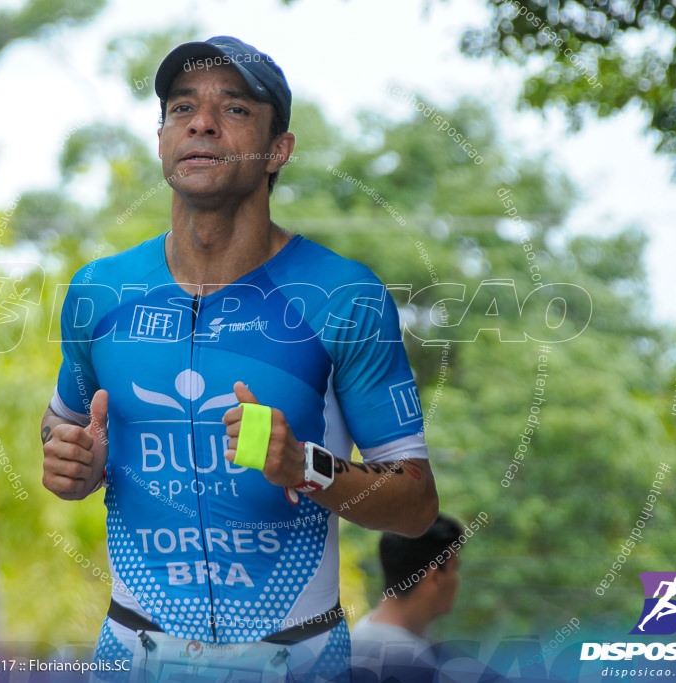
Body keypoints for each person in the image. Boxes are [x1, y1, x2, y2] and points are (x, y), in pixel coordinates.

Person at [41, 36, 438, 680]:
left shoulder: (342, 295)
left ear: (277, 149)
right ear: (163, 139)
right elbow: (62, 425)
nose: (200, 122)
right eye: (180, 108)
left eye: (234, 109)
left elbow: (417, 505)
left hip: (299, 658)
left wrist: (304, 467)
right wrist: (73, 461)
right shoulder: (99, 290)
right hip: (132, 655)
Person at [350, 516, 462, 681]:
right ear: (435, 576)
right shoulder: (405, 665)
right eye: (455, 568)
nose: (457, 579)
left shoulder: (361, 635)